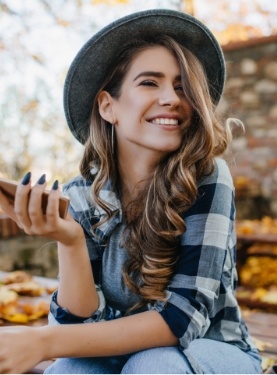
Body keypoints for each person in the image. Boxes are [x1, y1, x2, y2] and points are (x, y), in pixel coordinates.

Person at [0, 9, 262, 374]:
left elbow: (180, 320)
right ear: (108, 106)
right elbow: (78, 330)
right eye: (150, 83)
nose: (172, 97)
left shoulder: (206, 177)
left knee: (154, 363)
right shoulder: (81, 195)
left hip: (212, 351)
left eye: (182, 86)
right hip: (120, 352)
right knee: (70, 370)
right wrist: (70, 240)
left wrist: (42, 341)